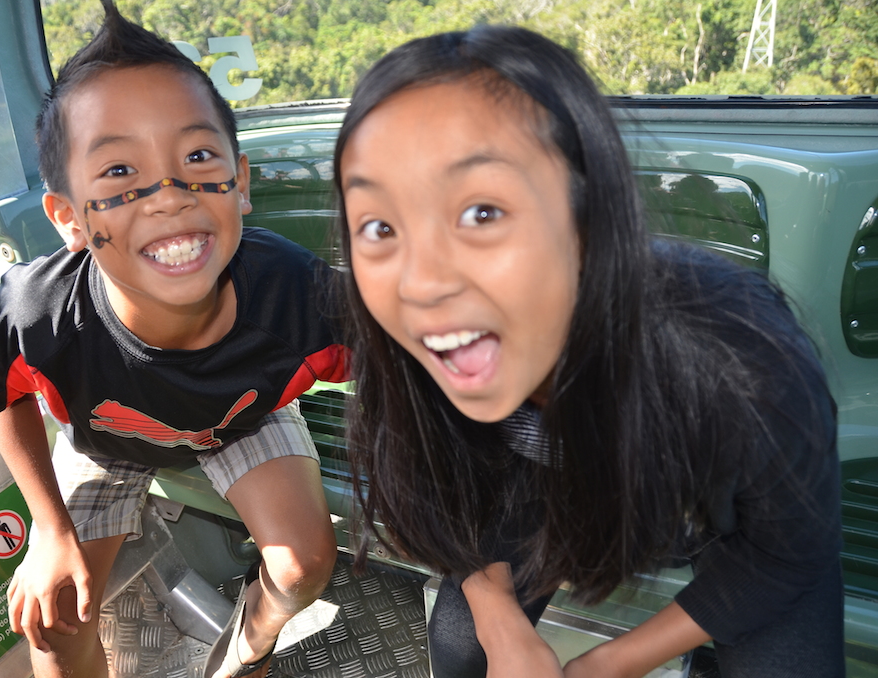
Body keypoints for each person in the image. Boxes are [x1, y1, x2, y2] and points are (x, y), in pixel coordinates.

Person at [332, 26, 843, 678]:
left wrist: (612, 663)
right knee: (462, 648)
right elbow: (454, 511)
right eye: (379, 227)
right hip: (536, 484)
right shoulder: (410, 353)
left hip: (732, 518)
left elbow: (785, 554)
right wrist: (500, 622)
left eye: (482, 212)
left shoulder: (745, 366)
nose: (421, 283)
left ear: (589, 216)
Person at [0, 3, 348, 678]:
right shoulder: (39, 314)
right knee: (53, 615)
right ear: (69, 219)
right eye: (118, 172)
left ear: (242, 185)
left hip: (243, 415)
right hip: (104, 438)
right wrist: (50, 531)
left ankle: (246, 651)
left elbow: (404, 364)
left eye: (198, 156)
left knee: (303, 567)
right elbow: (2, 397)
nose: (168, 193)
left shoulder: (294, 296)